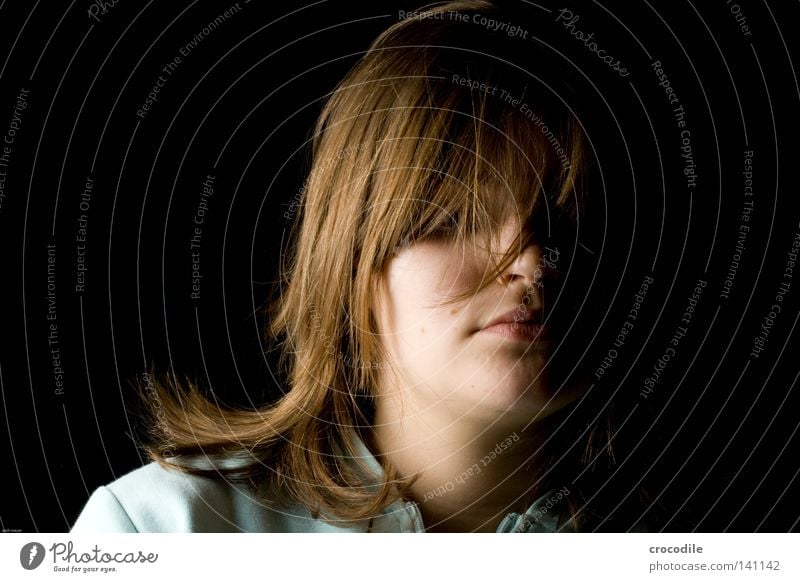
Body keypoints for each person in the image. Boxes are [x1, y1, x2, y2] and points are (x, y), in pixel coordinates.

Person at [71, 0, 658, 533]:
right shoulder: (163, 532)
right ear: (355, 259)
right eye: (456, 217)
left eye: (566, 219)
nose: (532, 262)